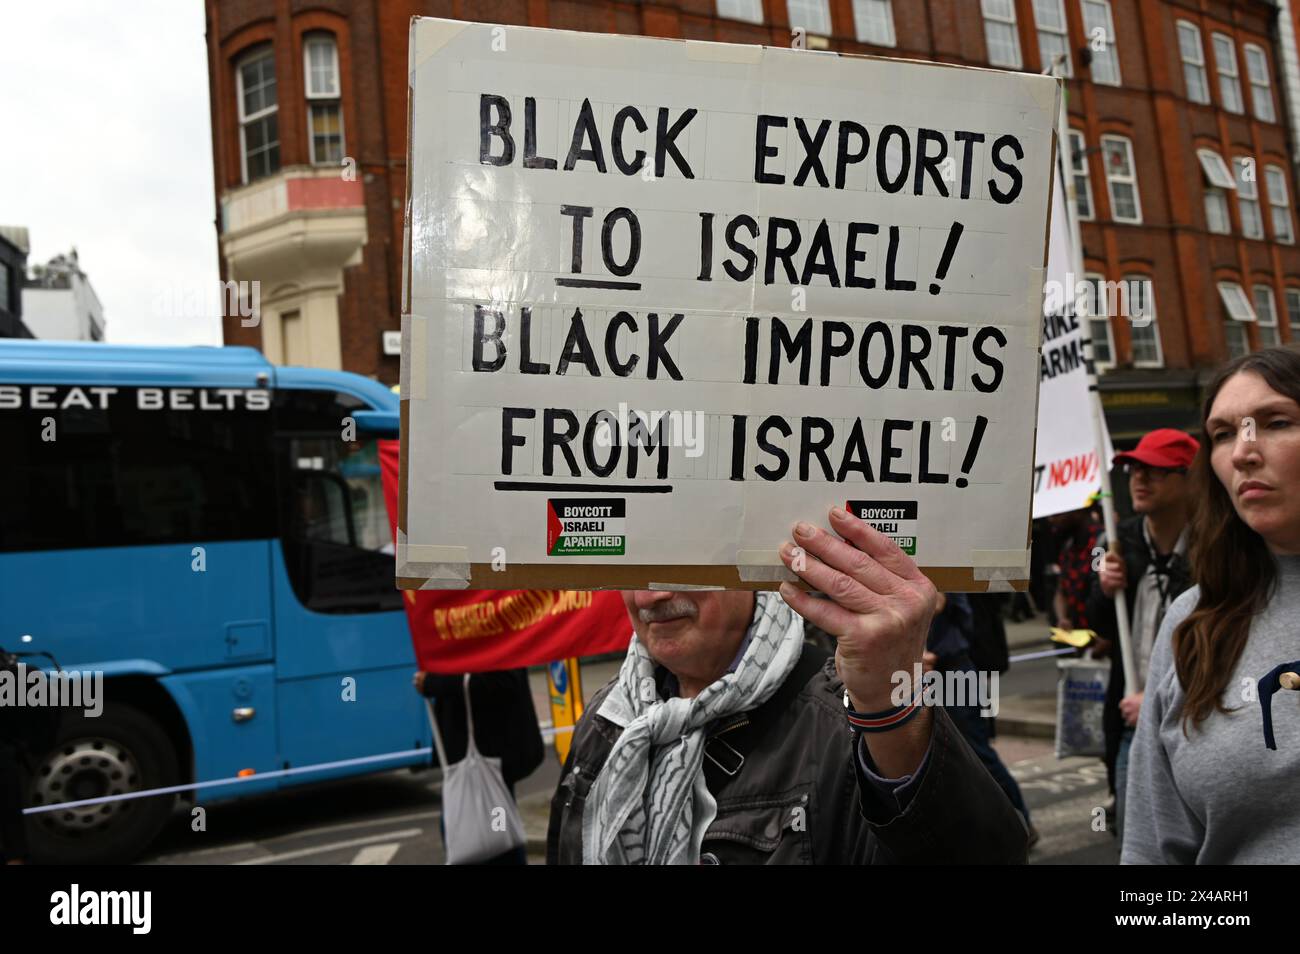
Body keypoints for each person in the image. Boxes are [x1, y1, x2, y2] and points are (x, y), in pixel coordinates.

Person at [546, 508, 1030, 864]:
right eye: (635, 567)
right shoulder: (609, 717)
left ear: (754, 573)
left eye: (684, 564)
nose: (650, 595)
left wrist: (891, 711)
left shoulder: (844, 719)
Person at [1124, 347, 1300, 863]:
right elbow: (1152, 849)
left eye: (1276, 422)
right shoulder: (1193, 620)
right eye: (1223, 434)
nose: (1244, 451)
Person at [1085, 429, 1197, 839]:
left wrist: (1154, 699)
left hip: (1195, 723)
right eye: (1134, 469)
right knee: (1139, 840)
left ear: (1190, 480)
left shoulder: (1216, 548)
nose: (1138, 479)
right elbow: (1097, 625)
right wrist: (1103, 587)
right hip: (1132, 726)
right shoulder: (1118, 542)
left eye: (1155, 471)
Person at [926, 592, 1034, 844]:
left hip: (953, 673)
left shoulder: (944, 570)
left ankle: (1020, 823)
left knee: (978, 754)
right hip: (932, 674)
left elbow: (935, 601)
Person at [414, 667, 545, 864]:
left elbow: (503, 682)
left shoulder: (495, 643)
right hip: (474, 765)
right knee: (490, 838)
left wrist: (434, 683)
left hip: (489, 766)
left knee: (500, 839)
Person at [1050, 507, 1101, 631]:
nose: (1051, 520)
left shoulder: (1100, 545)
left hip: (1106, 638)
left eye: (1057, 513)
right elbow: (1061, 592)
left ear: (1077, 511)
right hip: (1081, 637)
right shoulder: (1068, 547)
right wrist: (1063, 618)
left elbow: (1102, 590)